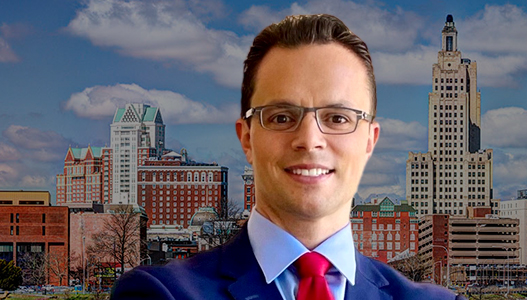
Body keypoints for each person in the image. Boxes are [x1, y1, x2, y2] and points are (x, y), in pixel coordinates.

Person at [110, 14, 463, 300]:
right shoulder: (161, 294)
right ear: (247, 138)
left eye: (337, 118)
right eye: (282, 117)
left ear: (369, 141)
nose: (310, 140)